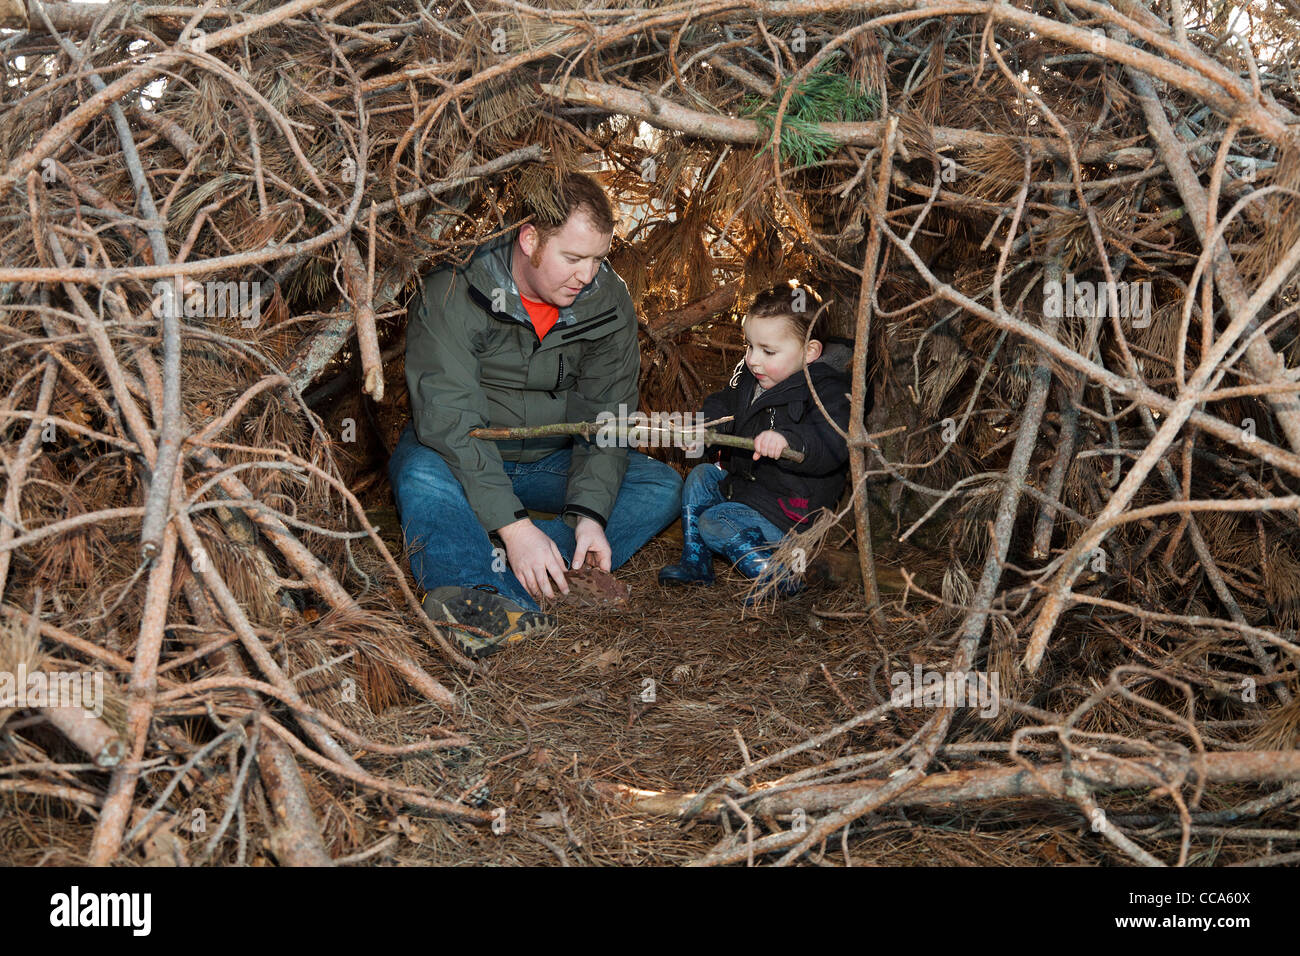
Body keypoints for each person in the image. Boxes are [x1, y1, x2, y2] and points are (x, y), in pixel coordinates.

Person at [389, 171, 682, 656]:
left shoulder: (608, 302)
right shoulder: (454, 289)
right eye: (572, 258)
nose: (586, 275)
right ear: (530, 239)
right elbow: (450, 419)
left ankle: (495, 570)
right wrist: (515, 528)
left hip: (550, 459)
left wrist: (589, 516)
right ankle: (484, 595)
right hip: (464, 455)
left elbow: (606, 418)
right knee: (421, 473)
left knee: (658, 488)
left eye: (596, 259)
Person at [658, 284, 853, 601]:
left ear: (810, 352)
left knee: (715, 520)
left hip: (789, 512)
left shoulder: (826, 390)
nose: (753, 360)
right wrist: (702, 427)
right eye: (749, 346)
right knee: (701, 476)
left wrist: (790, 443)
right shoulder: (753, 379)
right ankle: (696, 563)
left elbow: (832, 441)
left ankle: (778, 577)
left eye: (768, 351)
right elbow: (724, 404)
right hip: (746, 492)